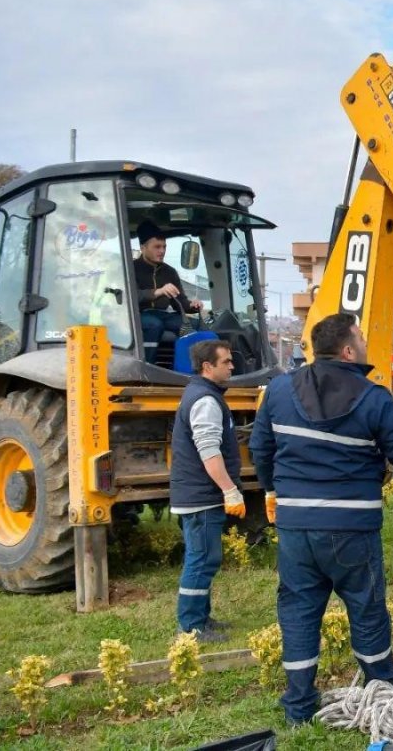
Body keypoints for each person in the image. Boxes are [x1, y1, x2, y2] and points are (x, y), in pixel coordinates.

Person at [249, 312, 393, 726]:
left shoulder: (280, 390)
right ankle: (385, 690)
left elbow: (260, 446)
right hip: (351, 528)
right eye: (360, 336)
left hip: (296, 528)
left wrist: (271, 490)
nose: (365, 342)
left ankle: (299, 705)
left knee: (299, 610)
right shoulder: (373, 399)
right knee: (366, 606)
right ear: (347, 349)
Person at [171, 339, 246, 643]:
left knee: (204, 558)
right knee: (201, 559)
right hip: (202, 497)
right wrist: (230, 490)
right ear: (207, 366)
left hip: (196, 495)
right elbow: (209, 452)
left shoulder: (203, 395)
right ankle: (191, 627)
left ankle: (201, 618)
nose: (232, 366)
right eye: (226, 361)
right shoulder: (205, 400)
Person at [133, 219, 202, 362]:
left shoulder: (169, 272)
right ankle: (146, 368)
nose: (162, 251)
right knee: (153, 324)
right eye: (157, 247)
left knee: (196, 325)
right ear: (143, 247)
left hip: (163, 315)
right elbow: (130, 298)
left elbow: (180, 303)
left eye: (164, 246)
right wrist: (157, 292)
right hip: (137, 316)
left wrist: (192, 306)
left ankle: (188, 371)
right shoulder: (131, 268)